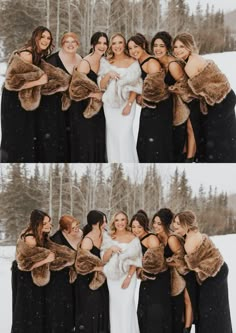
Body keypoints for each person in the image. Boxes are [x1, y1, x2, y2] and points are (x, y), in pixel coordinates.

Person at [173, 32, 236, 162]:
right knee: (226, 134)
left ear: (189, 47)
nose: (177, 50)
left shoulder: (190, 65)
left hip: (220, 101)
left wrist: (178, 90)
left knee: (216, 136)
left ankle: (220, 160)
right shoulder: (194, 58)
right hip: (226, 96)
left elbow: (197, 91)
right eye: (175, 47)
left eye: (182, 46)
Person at [173, 210, 232, 333]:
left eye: (178, 223)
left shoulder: (190, 242)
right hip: (219, 269)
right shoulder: (194, 232)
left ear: (186, 224)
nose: (175, 226)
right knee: (220, 309)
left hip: (212, 276)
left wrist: (174, 262)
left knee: (208, 311)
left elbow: (192, 266)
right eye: (174, 222)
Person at [0, 26, 53, 162]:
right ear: (35, 37)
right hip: (13, 102)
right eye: (42, 37)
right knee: (15, 137)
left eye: (48, 38)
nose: (45, 40)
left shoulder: (37, 56)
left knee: (25, 136)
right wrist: (39, 81)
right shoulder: (27, 55)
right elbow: (10, 83)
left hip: (22, 101)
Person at [152, 31, 201, 163]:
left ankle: (189, 160)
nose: (158, 49)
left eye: (161, 46)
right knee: (180, 136)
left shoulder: (173, 65)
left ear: (167, 48)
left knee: (189, 132)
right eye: (155, 45)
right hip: (174, 106)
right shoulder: (158, 62)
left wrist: (173, 91)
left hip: (186, 103)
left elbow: (186, 86)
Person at [36, 32, 82, 162]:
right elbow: (42, 86)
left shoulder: (82, 60)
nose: (70, 44)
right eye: (67, 41)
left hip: (74, 108)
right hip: (53, 107)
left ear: (78, 44)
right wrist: (59, 88)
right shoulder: (51, 61)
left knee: (71, 139)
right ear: (62, 44)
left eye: (73, 41)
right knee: (56, 139)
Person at [127, 33, 173, 162]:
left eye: (135, 46)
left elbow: (157, 91)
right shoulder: (138, 62)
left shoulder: (151, 63)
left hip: (159, 109)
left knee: (155, 144)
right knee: (146, 143)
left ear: (143, 45)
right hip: (149, 109)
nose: (133, 51)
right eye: (130, 48)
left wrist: (141, 97)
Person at [97, 33, 142, 162]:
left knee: (124, 135)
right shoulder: (106, 62)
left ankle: (128, 163)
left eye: (120, 42)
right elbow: (101, 86)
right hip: (110, 105)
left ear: (124, 44)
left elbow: (137, 85)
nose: (117, 46)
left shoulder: (133, 62)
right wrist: (108, 75)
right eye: (114, 43)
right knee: (113, 136)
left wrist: (129, 104)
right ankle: (115, 163)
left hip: (127, 103)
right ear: (111, 45)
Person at [152, 208, 198, 333]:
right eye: (154, 223)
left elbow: (182, 260)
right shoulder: (156, 237)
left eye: (159, 223)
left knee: (184, 303)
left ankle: (186, 328)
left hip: (182, 275)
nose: (155, 226)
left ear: (166, 224)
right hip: (170, 278)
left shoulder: (172, 239)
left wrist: (166, 263)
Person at [11, 210, 55, 333]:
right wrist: (46, 259)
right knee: (28, 309)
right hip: (25, 276)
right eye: (45, 223)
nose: (48, 225)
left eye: (49, 222)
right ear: (37, 223)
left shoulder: (41, 235)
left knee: (37, 308)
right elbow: (25, 265)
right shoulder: (30, 238)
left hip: (32, 275)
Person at [69, 32, 108, 162]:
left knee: (99, 140)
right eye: (99, 43)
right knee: (86, 142)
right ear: (93, 44)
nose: (102, 46)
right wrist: (94, 94)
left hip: (100, 109)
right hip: (83, 108)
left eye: (105, 43)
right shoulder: (85, 63)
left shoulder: (105, 62)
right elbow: (74, 90)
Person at [130, 211, 172, 333]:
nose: (136, 230)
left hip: (158, 283)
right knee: (145, 314)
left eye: (139, 226)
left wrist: (141, 267)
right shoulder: (137, 240)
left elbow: (157, 264)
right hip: (147, 283)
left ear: (144, 226)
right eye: (133, 227)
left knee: (155, 315)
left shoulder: (151, 238)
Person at [100, 211, 142, 333]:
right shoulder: (108, 236)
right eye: (117, 220)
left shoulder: (133, 238)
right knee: (115, 308)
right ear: (114, 222)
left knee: (126, 306)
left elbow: (136, 260)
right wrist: (111, 249)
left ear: (126, 221)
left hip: (128, 276)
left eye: (122, 219)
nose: (120, 223)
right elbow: (104, 259)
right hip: (113, 278)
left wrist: (129, 277)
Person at [45, 215, 83, 333]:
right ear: (65, 229)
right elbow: (52, 263)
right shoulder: (56, 240)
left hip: (77, 279)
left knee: (76, 308)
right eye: (73, 227)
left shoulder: (82, 234)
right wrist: (68, 262)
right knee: (62, 310)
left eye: (77, 225)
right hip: (60, 280)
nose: (77, 229)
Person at [74, 210, 110, 333]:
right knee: (92, 310)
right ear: (95, 223)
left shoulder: (105, 235)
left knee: (104, 309)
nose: (105, 224)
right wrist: (99, 268)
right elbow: (81, 266)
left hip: (103, 280)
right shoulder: (87, 240)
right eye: (103, 222)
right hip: (88, 281)